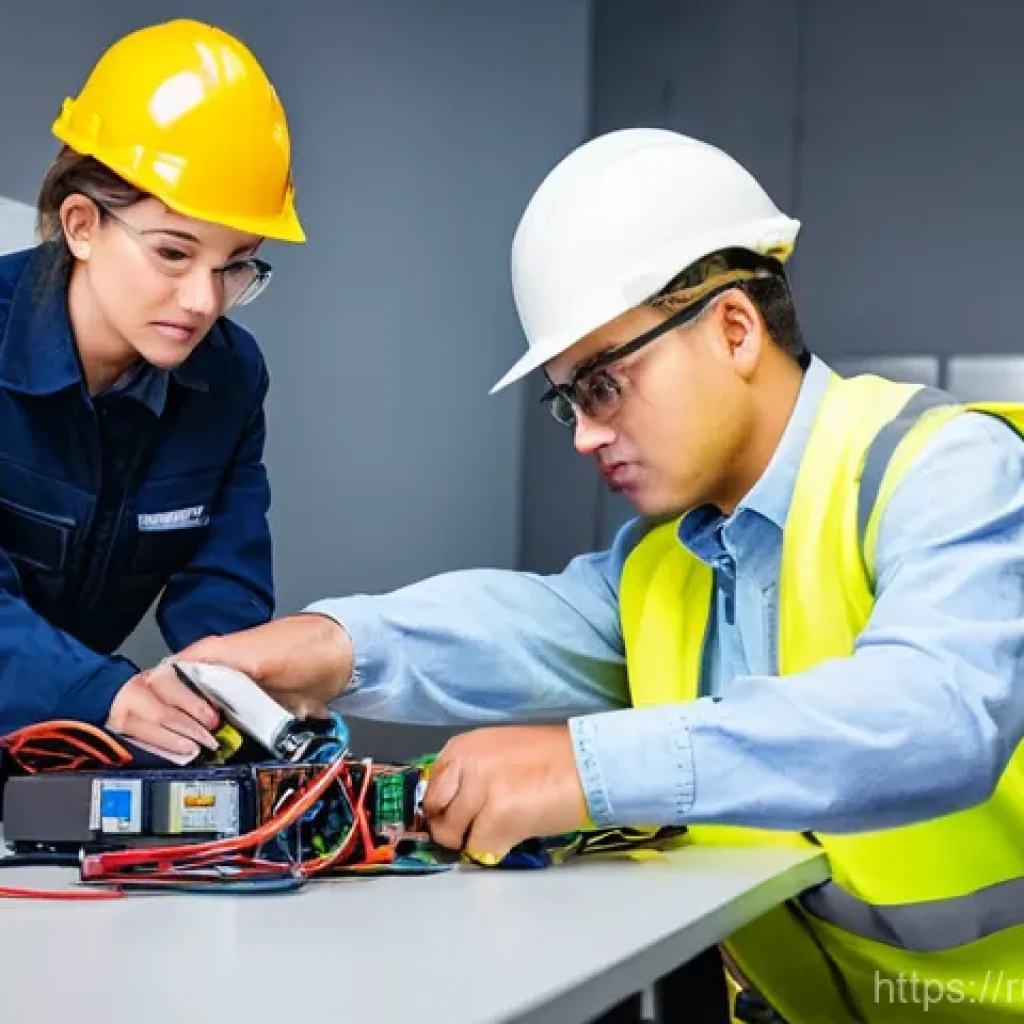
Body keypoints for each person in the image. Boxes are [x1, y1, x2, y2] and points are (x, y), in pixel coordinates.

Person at [165, 129, 1024, 1022]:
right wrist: (327, 646)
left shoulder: (941, 468)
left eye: (605, 385)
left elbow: (939, 714)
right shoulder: (661, 564)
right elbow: (520, 623)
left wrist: (582, 768)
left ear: (734, 328)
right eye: (568, 400)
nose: (582, 434)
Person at [0, 19, 305, 762]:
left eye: (237, 264)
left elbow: (223, 580)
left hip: (53, 747)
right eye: (173, 251)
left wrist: (228, 686)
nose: (203, 300)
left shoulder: (230, 377)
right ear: (80, 225)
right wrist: (108, 694)